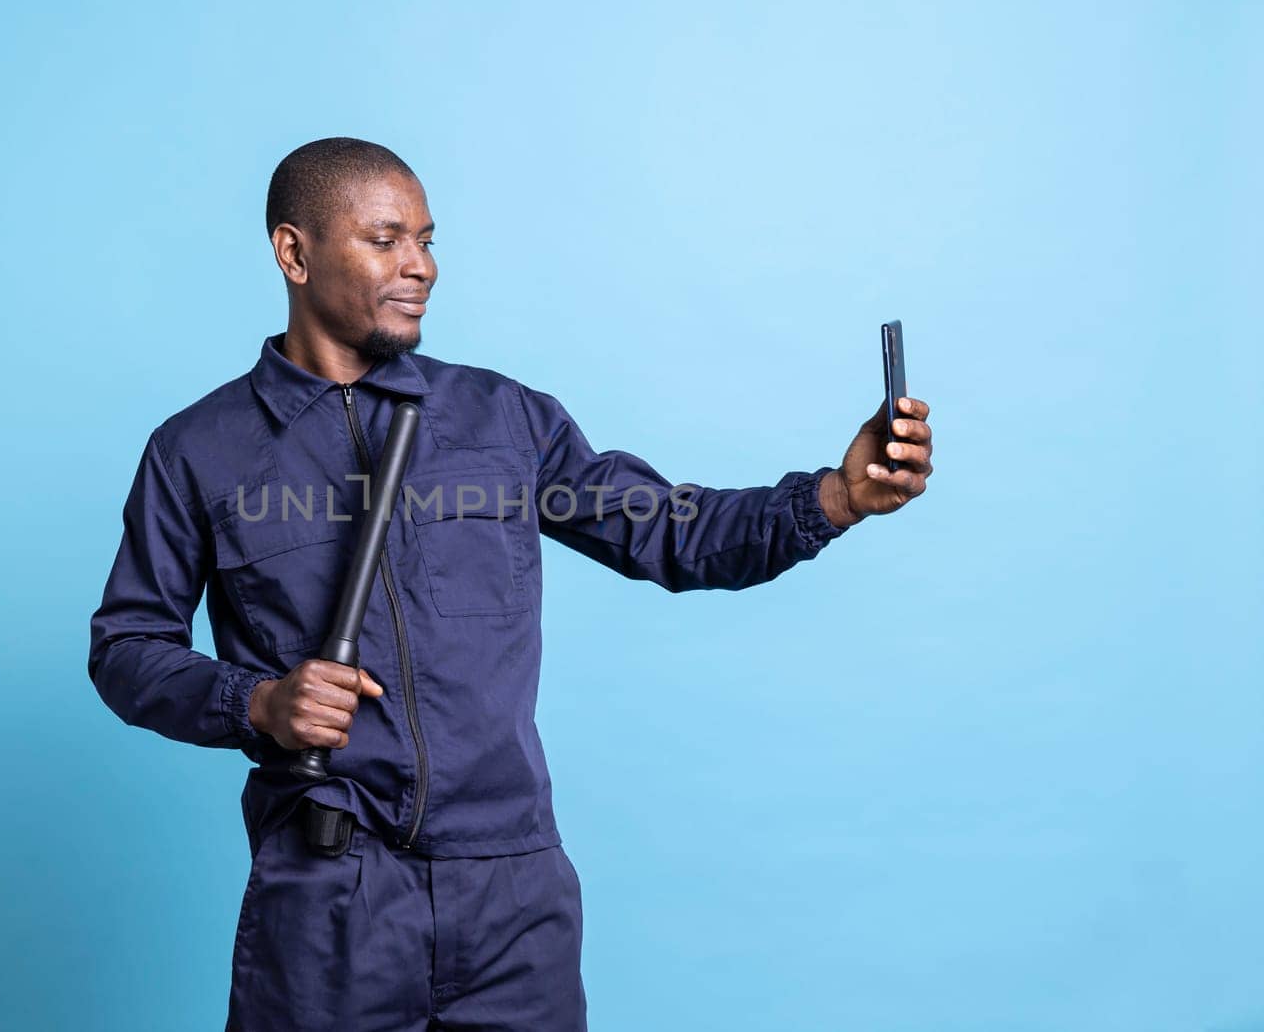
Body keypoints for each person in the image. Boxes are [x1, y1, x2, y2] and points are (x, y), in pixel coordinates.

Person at [87, 137, 934, 1031]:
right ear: (293, 253)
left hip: (514, 900)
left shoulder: (503, 419)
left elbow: (671, 531)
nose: (421, 266)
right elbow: (126, 649)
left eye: (427, 238)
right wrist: (256, 703)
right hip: (328, 907)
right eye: (386, 240)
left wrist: (837, 496)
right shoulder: (198, 450)